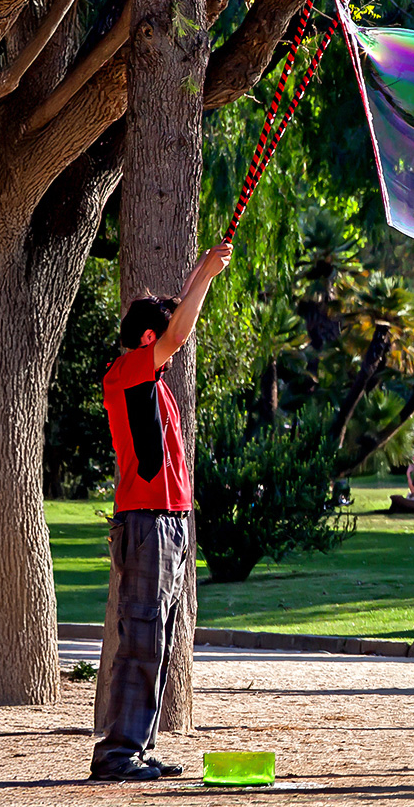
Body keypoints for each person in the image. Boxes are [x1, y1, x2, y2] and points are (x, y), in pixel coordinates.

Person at [91, 242, 233, 782]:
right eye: (167, 334)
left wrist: (201, 268)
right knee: (142, 635)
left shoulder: (153, 383)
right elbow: (177, 332)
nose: (177, 345)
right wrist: (208, 279)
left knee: (162, 637)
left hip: (170, 522)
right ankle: (117, 754)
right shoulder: (126, 372)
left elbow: (174, 329)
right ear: (149, 339)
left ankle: (138, 749)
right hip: (146, 521)